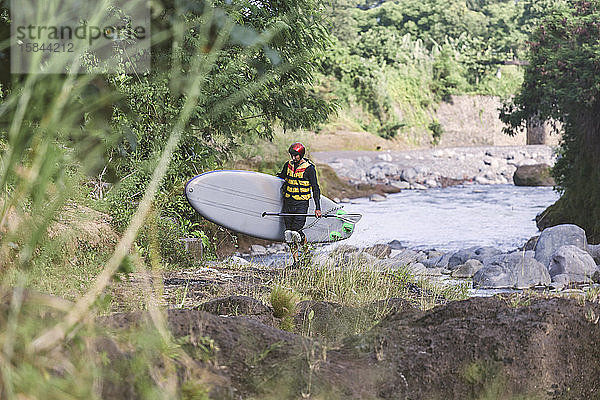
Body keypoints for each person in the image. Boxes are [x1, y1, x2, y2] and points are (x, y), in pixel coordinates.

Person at [277, 142, 322, 268]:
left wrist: (318, 208)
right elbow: (282, 176)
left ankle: (307, 256)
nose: (294, 158)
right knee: (288, 234)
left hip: (301, 203)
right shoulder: (288, 165)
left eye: (296, 156)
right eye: (292, 155)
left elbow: (315, 189)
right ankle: (296, 262)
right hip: (288, 202)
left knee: (296, 232)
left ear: (301, 155)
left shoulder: (309, 169)